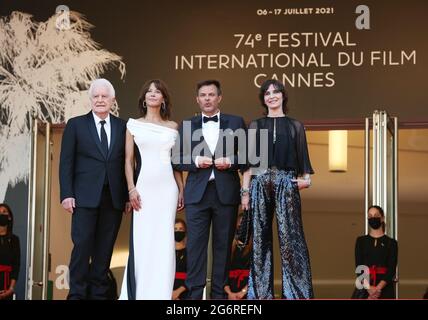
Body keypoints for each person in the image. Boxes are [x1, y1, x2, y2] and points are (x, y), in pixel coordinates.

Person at [172, 80, 247, 299]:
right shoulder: (187, 124)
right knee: (195, 247)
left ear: (219, 98)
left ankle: (218, 297)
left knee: (223, 248)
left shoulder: (236, 121)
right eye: (203, 95)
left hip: (226, 193)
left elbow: (248, 157)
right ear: (197, 99)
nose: (207, 98)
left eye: (211, 94)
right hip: (197, 194)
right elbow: (175, 159)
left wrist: (231, 161)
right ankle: (194, 298)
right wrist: (195, 160)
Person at [241, 79, 314, 299]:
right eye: (267, 93)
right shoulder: (256, 125)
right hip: (259, 182)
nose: (271, 96)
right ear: (263, 99)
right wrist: (245, 192)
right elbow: (248, 164)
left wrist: (307, 180)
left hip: (286, 182)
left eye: (276, 92)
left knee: (291, 239)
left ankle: (296, 294)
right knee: (260, 239)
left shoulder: (295, 126)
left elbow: (303, 159)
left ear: (283, 96)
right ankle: (260, 294)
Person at [59, 78, 128, 300]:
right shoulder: (76, 124)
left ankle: (98, 294)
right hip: (84, 198)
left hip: (114, 199)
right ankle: (77, 294)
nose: (100, 100)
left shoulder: (123, 126)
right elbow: (66, 162)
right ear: (90, 99)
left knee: (105, 249)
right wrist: (67, 193)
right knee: (82, 248)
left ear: (112, 100)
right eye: (96, 96)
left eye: (104, 96)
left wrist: (128, 194)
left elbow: (129, 163)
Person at [119, 79, 184, 300]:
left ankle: (161, 295)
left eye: (157, 91)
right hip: (144, 188)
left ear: (163, 98)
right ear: (144, 98)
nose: (153, 94)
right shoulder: (133, 125)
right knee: (143, 240)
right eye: (149, 91)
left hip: (168, 190)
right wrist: (131, 188)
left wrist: (182, 189)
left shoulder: (174, 127)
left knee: (165, 242)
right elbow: (128, 161)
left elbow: (176, 163)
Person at [353, 205, 398, 299]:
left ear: (382, 218)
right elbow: (359, 267)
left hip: (385, 288)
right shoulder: (361, 241)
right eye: (370, 216)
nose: (372, 218)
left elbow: (391, 269)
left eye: (376, 215)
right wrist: (369, 288)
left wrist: (378, 289)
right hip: (364, 287)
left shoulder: (391, 243)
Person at [224, 213, 251, 300]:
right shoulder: (230, 247)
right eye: (239, 224)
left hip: (247, 291)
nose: (240, 226)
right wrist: (230, 293)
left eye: (243, 224)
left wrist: (243, 292)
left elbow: (256, 274)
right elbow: (223, 273)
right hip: (230, 291)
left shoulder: (254, 248)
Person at [0, 203, 20, 300]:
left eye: (4, 212)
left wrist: (11, 288)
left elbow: (16, 265)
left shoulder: (14, 240)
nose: (1, 214)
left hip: (7, 287)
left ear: (9, 217)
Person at [172, 218, 188, 300]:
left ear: (185, 232)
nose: (178, 231)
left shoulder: (190, 253)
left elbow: (193, 275)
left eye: (181, 229)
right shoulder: (167, 254)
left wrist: (177, 292)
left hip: (185, 294)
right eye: (175, 229)